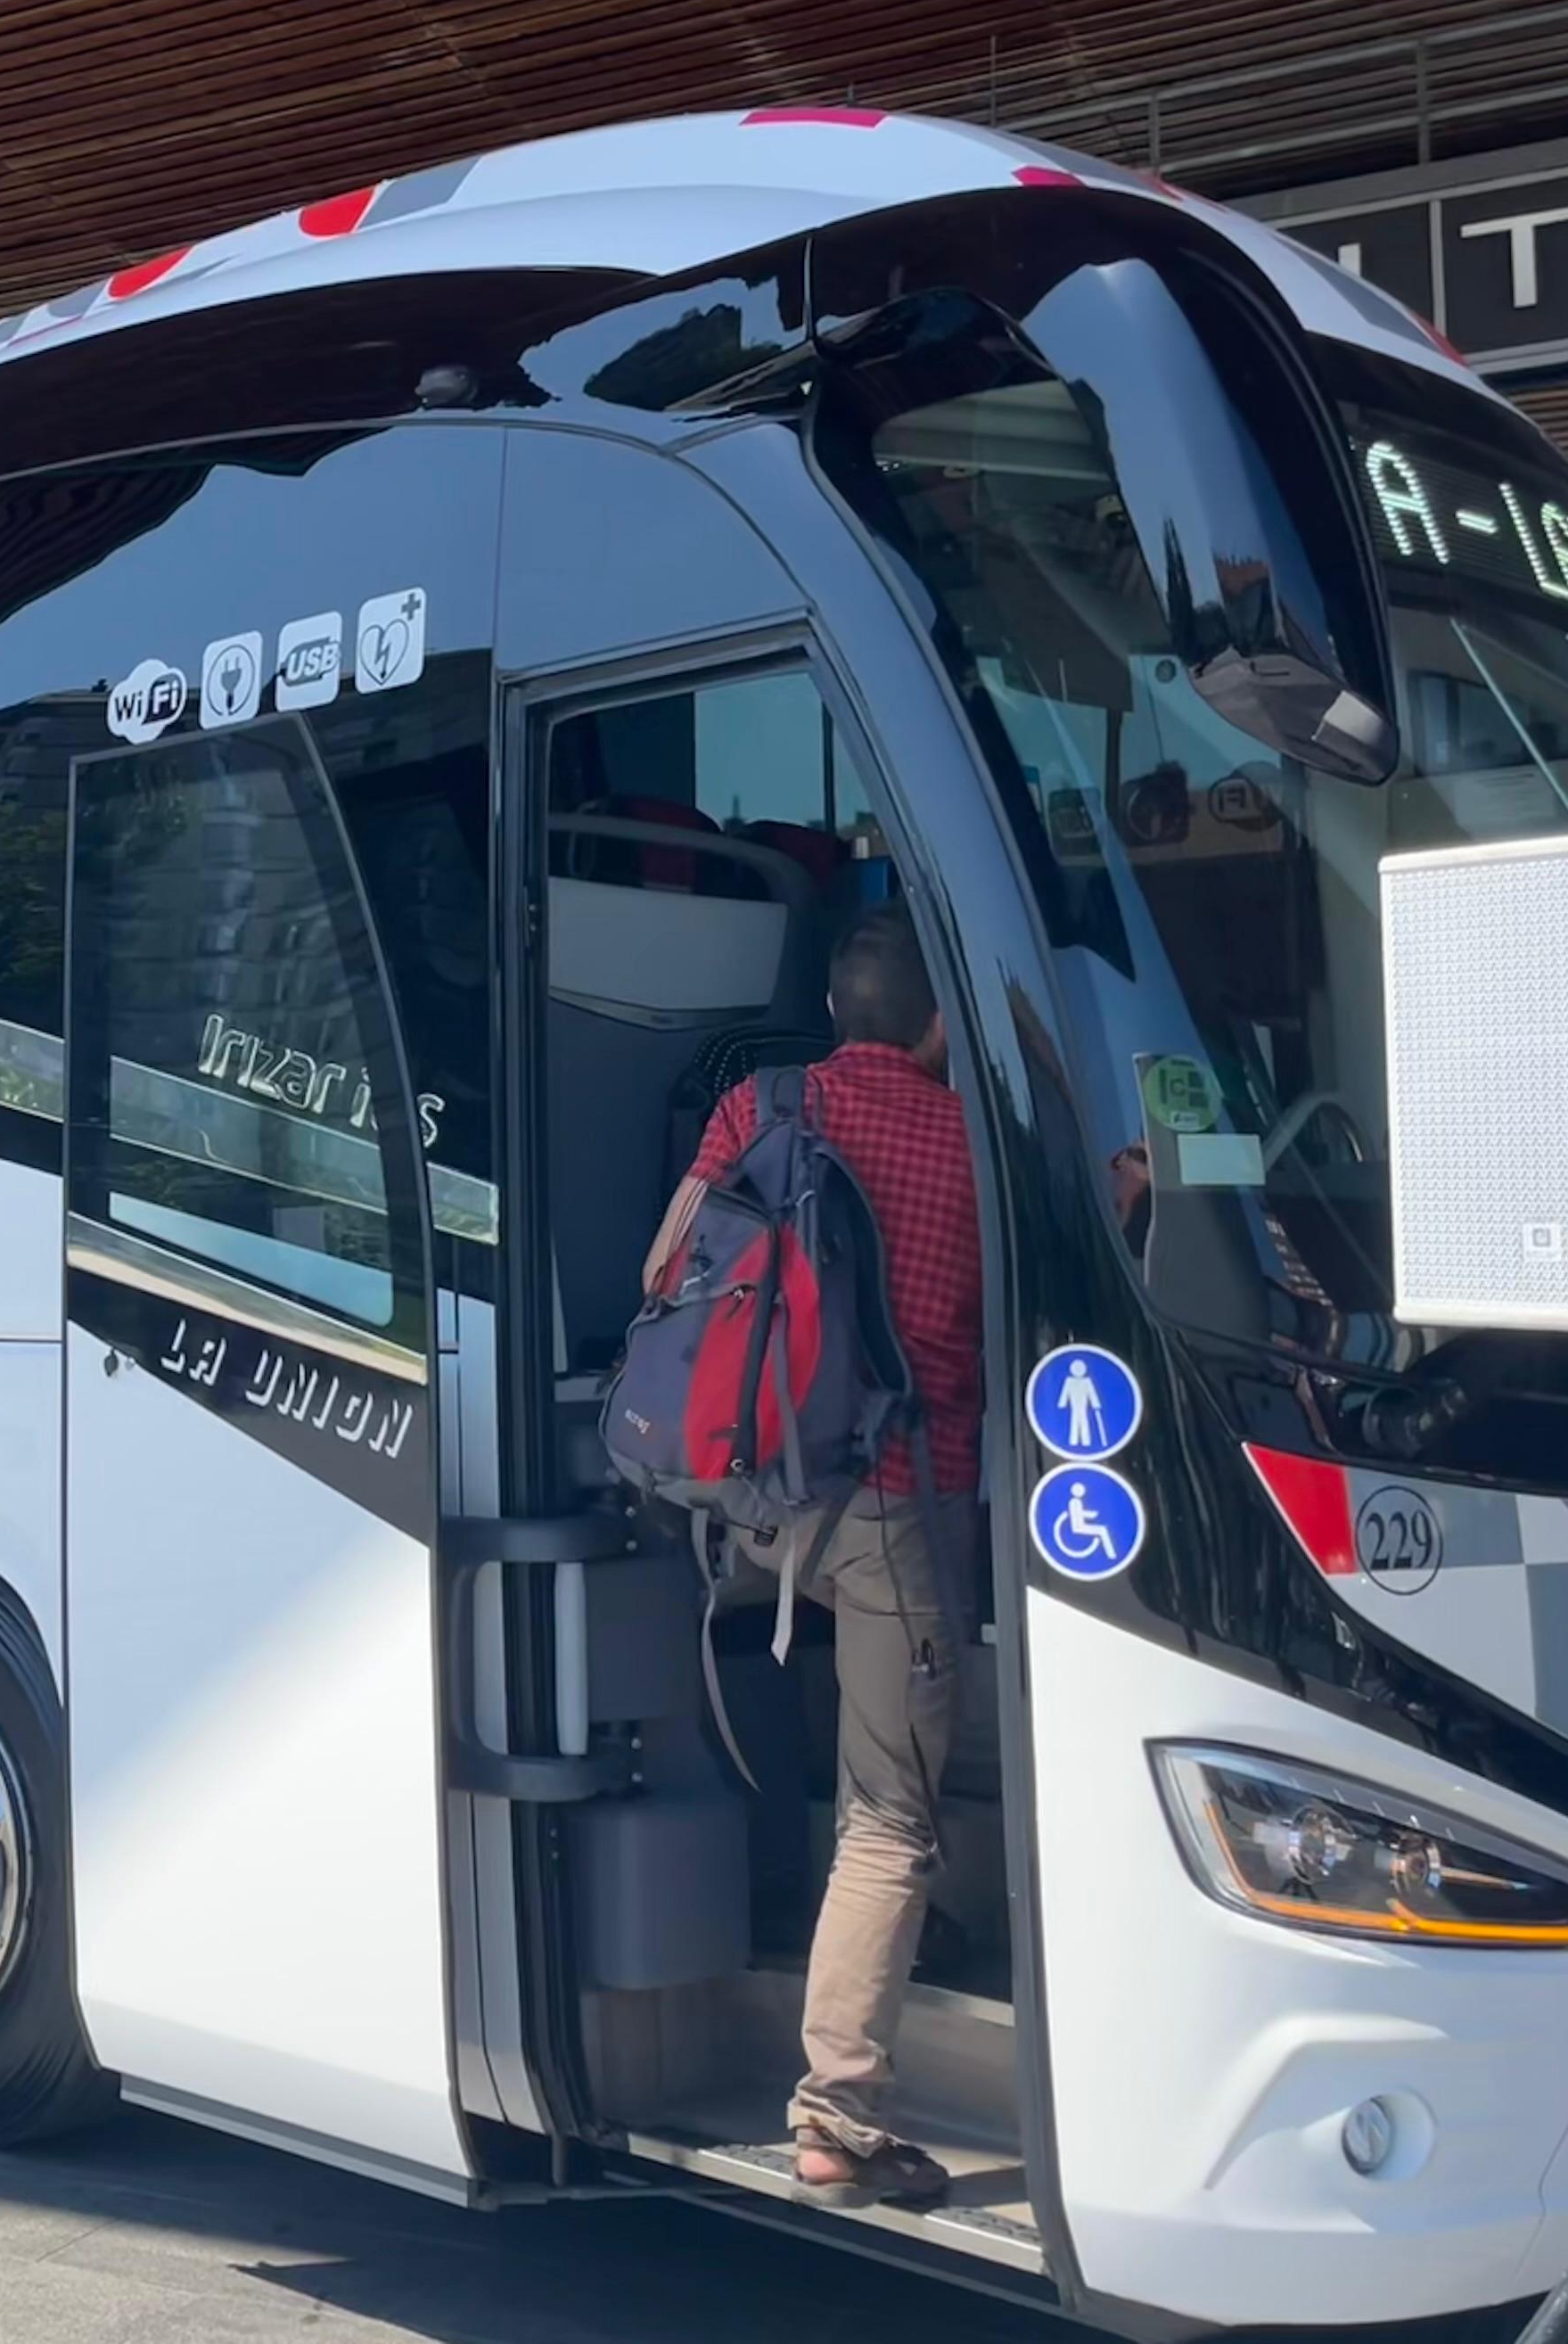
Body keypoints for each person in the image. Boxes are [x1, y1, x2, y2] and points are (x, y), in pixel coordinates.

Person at [641, 908, 983, 2211]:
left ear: (839, 1015)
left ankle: (879, 1938)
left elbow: (668, 1264)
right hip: (902, 1506)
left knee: (853, 1760)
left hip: (760, 1499)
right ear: (939, 1027)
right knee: (892, 1816)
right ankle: (838, 2111)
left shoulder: (758, 1102)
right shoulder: (967, 1143)